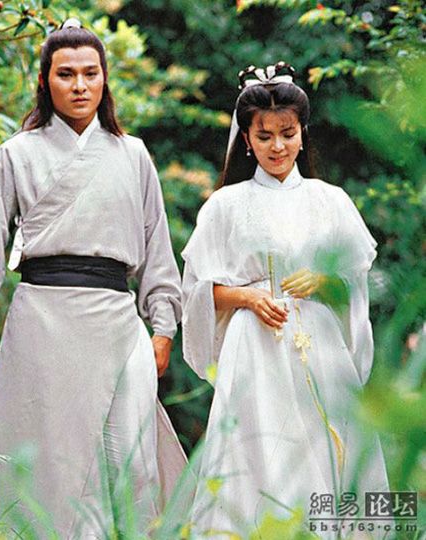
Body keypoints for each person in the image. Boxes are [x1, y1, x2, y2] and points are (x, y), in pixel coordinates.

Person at [0, 19, 186, 539]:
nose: (80, 85)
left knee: (133, 459)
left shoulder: (134, 155)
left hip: (118, 322)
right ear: (45, 81)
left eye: (90, 73)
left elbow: (156, 246)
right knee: (53, 463)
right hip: (43, 321)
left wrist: (163, 325)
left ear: (104, 79)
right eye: (66, 74)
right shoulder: (17, 153)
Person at [182, 62, 389, 537]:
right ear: (247, 140)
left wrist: (324, 279)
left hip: (320, 346)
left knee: (322, 448)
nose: (277, 146)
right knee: (259, 452)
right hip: (254, 349)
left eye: (287, 134)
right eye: (265, 136)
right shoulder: (225, 205)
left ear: (302, 134)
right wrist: (248, 298)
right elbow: (198, 292)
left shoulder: (330, 200)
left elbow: (358, 284)